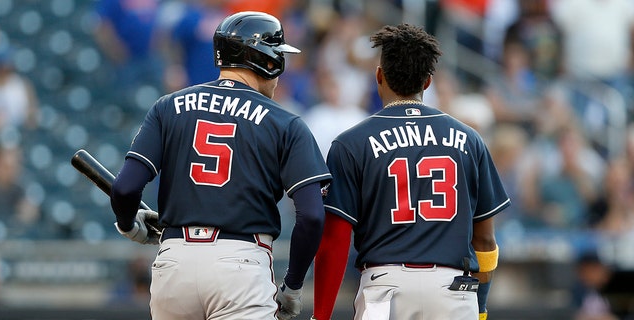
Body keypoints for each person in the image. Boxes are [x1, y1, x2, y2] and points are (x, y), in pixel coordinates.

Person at [110, 11, 332, 320]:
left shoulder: (168, 106)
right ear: (267, 60)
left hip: (175, 264)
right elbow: (311, 215)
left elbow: (125, 187)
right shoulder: (286, 122)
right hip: (241, 265)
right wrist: (292, 286)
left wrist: (128, 224)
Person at [312, 24, 511, 320]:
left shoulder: (351, 142)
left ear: (379, 75)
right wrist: (479, 306)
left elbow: (335, 238)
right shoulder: (469, 139)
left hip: (384, 287)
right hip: (452, 290)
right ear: (428, 82)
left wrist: (321, 314)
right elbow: (484, 240)